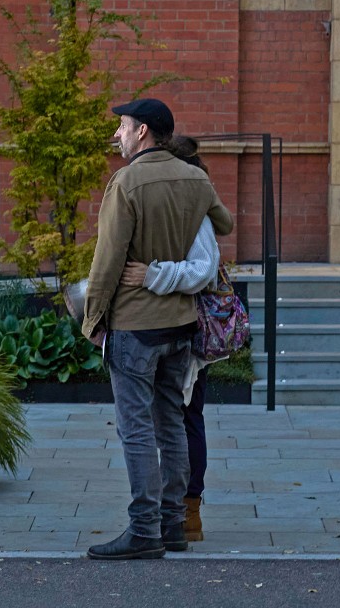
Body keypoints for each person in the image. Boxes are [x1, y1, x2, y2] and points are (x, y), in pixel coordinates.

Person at [82, 99, 233, 560]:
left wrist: (92, 319)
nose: (118, 136)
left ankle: (144, 529)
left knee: (137, 430)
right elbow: (223, 223)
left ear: (143, 131)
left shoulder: (126, 181)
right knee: (171, 423)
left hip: (135, 325)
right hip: (181, 324)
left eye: (123, 128)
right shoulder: (196, 178)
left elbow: (107, 261)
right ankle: (173, 526)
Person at [120, 135, 220, 543]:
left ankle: (179, 516)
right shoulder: (179, 195)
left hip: (184, 323)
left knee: (179, 420)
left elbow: (205, 268)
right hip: (171, 322)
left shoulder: (190, 199)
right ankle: (176, 519)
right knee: (178, 420)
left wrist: (153, 275)